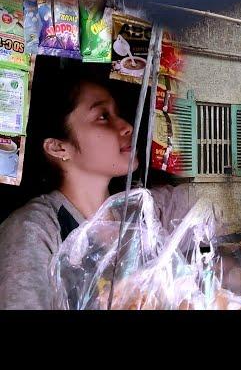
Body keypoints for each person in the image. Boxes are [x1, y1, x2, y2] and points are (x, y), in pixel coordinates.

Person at [0, 73, 194, 310]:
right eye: (103, 116)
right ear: (59, 147)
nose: (126, 126)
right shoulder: (35, 230)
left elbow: (208, 209)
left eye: (115, 113)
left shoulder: (142, 211)